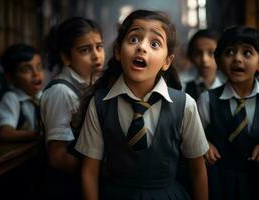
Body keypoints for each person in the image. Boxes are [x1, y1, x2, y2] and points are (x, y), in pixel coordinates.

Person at [75, 10, 209, 200]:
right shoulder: (99, 104)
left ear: (167, 61)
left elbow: (198, 171)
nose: (142, 47)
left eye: (155, 43)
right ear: (118, 52)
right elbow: (89, 172)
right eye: (134, 39)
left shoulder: (185, 105)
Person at [40, 17, 105, 199]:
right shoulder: (60, 92)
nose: (96, 55)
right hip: (66, 186)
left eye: (99, 47)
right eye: (85, 50)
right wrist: (96, 174)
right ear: (66, 57)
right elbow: (57, 157)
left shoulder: (92, 84)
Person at [197, 26, 259, 200]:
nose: (237, 59)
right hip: (220, 183)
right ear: (219, 61)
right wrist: (204, 143)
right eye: (230, 52)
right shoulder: (206, 100)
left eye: (247, 53)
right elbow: (189, 137)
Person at [0, 44, 44, 142]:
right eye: (26, 69)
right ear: (10, 77)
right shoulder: (11, 98)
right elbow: (5, 133)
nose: (36, 73)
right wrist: (40, 134)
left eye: (39, 67)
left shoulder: (43, 96)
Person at [185, 29, 225, 100]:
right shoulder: (184, 90)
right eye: (198, 53)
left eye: (211, 53)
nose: (204, 59)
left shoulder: (227, 89)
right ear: (191, 57)